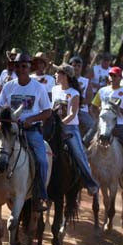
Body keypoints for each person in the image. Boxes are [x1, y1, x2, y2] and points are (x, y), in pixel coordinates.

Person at [0, 53, 52, 211]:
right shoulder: (9, 86)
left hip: (30, 130)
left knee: (42, 159)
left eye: (24, 66)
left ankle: (39, 195)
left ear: (30, 68)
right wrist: (3, 117)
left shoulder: (38, 88)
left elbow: (48, 112)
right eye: (18, 66)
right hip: (8, 129)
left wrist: (31, 119)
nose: (21, 69)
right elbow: (0, 107)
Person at [91, 66, 123, 194]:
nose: (112, 78)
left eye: (115, 76)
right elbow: (93, 107)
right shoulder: (102, 91)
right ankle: (84, 175)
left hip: (118, 126)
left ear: (120, 78)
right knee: (85, 141)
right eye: (111, 75)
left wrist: (119, 109)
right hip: (102, 125)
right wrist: (99, 119)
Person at [52, 63, 98, 195]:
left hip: (69, 129)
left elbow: (72, 114)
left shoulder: (74, 93)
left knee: (79, 154)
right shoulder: (55, 89)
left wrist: (60, 124)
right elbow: (51, 108)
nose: (55, 74)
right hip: (54, 127)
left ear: (65, 75)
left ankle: (90, 182)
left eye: (58, 73)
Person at [69, 55, 96, 146]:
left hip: (81, 110)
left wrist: (78, 102)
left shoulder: (86, 81)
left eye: (78, 66)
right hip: (67, 109)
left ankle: (86, 143)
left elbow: (89, 99)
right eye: (74, 65)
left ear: (81, 68)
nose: (76, 68)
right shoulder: (65, 79)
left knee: (93, 126)